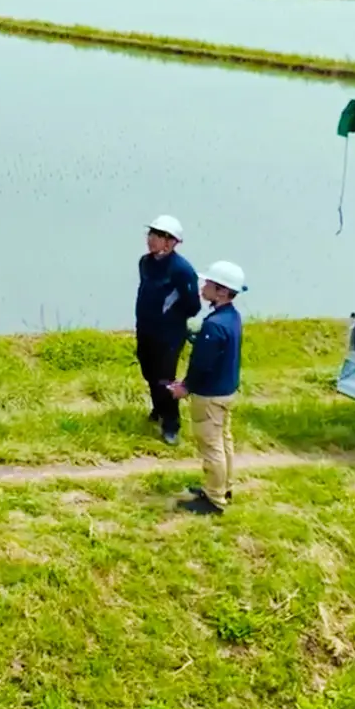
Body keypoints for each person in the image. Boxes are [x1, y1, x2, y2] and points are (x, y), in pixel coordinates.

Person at [171, 261, 247, 517]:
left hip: (210, 396)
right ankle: (224, 488)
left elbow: (202, 363)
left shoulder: (214, 324)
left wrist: (185, 387)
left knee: (211, 445)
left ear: (222, 292)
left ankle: (214, 501)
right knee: (224, 441)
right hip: (226, 391)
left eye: (209, 284)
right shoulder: (231, 317)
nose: (203, 287)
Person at [135, 215, 200, 445]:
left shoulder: (182, 270)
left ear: (171, 242)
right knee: (148, 372)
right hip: (145, 329)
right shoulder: (145, 262)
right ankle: (158, 408)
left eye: (157, 236)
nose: (151, 239)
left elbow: (193, 305)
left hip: (169, 335)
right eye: (150, 234)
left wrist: (170, 318)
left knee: (164, 378)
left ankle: (171, 424)